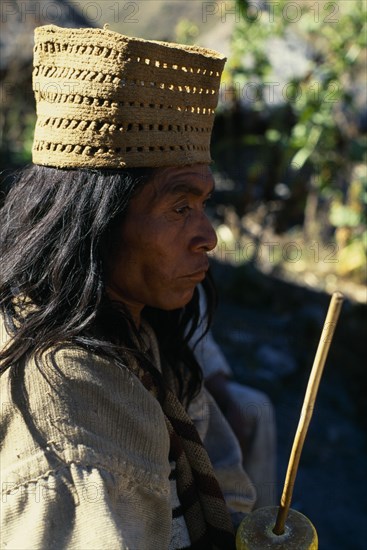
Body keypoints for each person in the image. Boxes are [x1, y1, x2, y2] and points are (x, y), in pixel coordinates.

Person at [0, 25, 257, 550]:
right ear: (95, 224)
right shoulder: (69, 420)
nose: (208, 237)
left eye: (204, 206)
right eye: (180, 207)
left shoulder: (134, 335)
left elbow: (223, 487)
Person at [189, 290, 277, 508]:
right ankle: (229, 510)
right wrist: (226, 403)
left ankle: (262, 522)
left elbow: (201, 343)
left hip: (197, 376)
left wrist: (227, 400)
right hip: (171, 378)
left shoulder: (193, 278)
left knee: (257, 406)